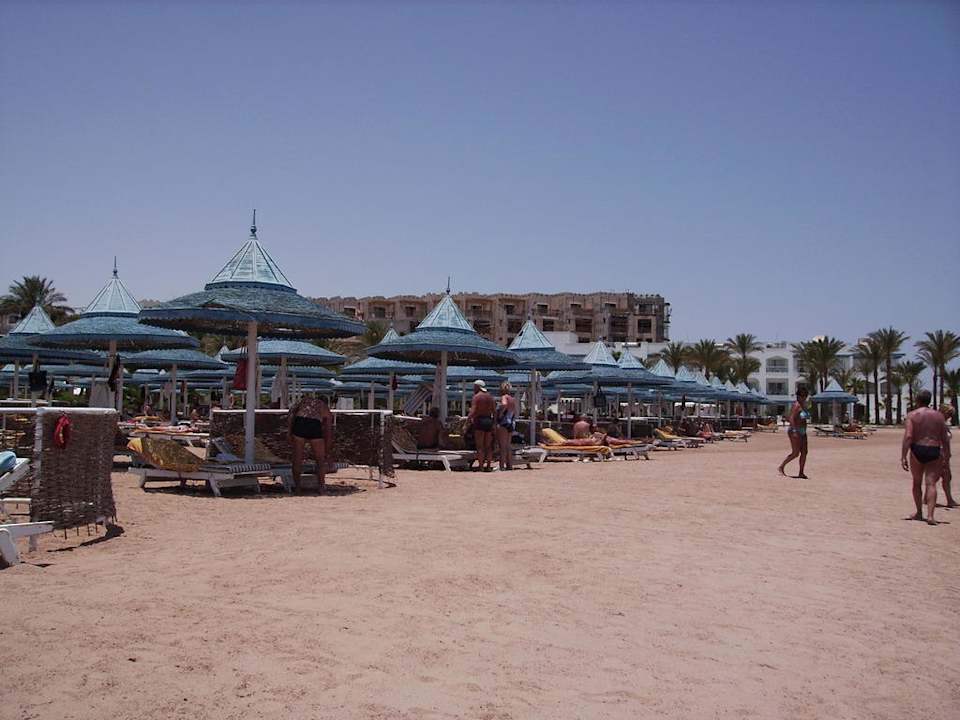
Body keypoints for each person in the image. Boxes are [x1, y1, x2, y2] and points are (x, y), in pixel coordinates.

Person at [901, 391, 950, 524]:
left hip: (917, 449)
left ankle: (919, 512)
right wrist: (946, 456)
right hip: (934, 449)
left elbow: (908, 436)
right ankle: (930, 516)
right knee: (931, 483)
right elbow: (945, 439)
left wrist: (903, 456)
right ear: (929, 400)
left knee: (917, 482)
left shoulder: (912, 415)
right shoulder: (939, 416)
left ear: (917, 400)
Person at [287, 392, 332, 493]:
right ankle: (321, 487)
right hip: (314, 424)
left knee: (297, 458)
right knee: (320, 459)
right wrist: (327, 452)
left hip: (300, 422)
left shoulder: (304, 402)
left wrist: (289, 432)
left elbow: (291, 414)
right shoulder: (324, 408)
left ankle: (297, 488)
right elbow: (328, 432)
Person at [778, 387, 810, 478]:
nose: (804, 397)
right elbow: (791, 418)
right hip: (795, 430)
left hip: (803, 431)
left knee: (804, 452)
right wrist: (795, 431)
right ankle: (781, 466)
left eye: (805, 395)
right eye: (802, 395)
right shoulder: (796, 405)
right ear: (798, 396)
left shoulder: (804, 406)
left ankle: (801, 472)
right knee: (795, 453)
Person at [469, 380, 496, 471]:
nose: (473, 389)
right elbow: (494, 412)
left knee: (480, 446)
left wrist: (468, 420)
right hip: (488, 420)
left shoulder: (476, 397)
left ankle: (481, 467)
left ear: (477, 387)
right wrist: (494, 423)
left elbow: (473, 410)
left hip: (479, 420)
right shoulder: (490, 397)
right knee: (488, 446)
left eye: (474, 387)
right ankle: (488, 466)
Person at [496, 381, 517, 471]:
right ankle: (510, 465)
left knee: (502, 446)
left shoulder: (504, 397)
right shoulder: (512, 399)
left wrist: (500, 414)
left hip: (504, 422)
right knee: (508, 445)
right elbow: (515, 411)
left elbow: (504, 404)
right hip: (511, 422)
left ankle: (502, 466)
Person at [939, 405, 956, 508]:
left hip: (943, 453)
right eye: (949, 414)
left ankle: (927, 498)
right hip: (941, 454)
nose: (950, 416)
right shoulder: (941, 424)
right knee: (946, 476)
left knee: (936, 477)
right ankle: (949, 500)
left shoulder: (942, 424)